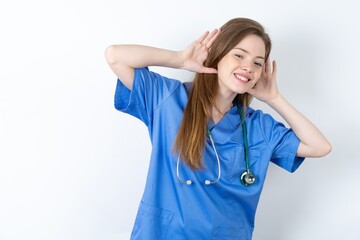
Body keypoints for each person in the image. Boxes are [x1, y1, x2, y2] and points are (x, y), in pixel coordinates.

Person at [105, 17, 331, 240]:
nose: (248, 67)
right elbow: (115, 56)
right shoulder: (168, 99)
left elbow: (319, 147)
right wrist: (179, 59)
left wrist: (274, 98)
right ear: (218, 56)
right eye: (239, 55)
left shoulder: (259, 127)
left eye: (257, 63)